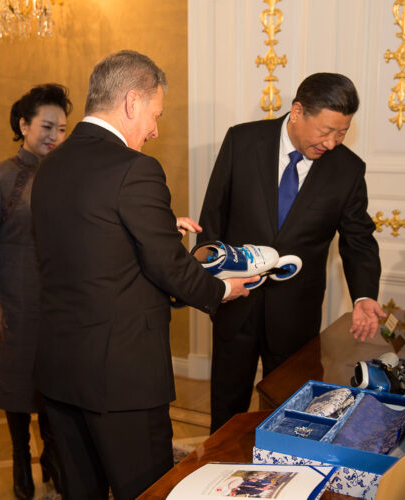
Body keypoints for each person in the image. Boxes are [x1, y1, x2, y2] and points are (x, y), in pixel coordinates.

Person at [31, 50, 257, 500]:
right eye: (155, 114)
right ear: (132, 102)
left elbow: (87, 241)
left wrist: (156, 227)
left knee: (82, 491)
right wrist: (221, 289)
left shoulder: (51, 163)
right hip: (122, 376)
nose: (155, 129)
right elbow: (168, 267)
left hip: (60, 367)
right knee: (148, 490)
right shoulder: (135, 168)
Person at [198, 72, 386, 433]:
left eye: (342, 133)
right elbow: (213, 219)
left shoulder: (347, 169)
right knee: (227, 402)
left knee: (289, 407)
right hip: (236, 299)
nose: (332, 143)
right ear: (298, 112)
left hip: (296, 311)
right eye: (326, 131)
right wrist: (211, 286)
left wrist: (364, 294)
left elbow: (358, 239)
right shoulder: (242, 141)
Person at [0, 84, 70, 500]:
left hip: (59, 299)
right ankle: (19, 459)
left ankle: (51, 457)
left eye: (62, 129)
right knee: (15, 386)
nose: (55, 136)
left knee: (54, 384)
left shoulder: (67, 173)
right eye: (47, 126)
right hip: (12, 296)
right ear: (24, 125)